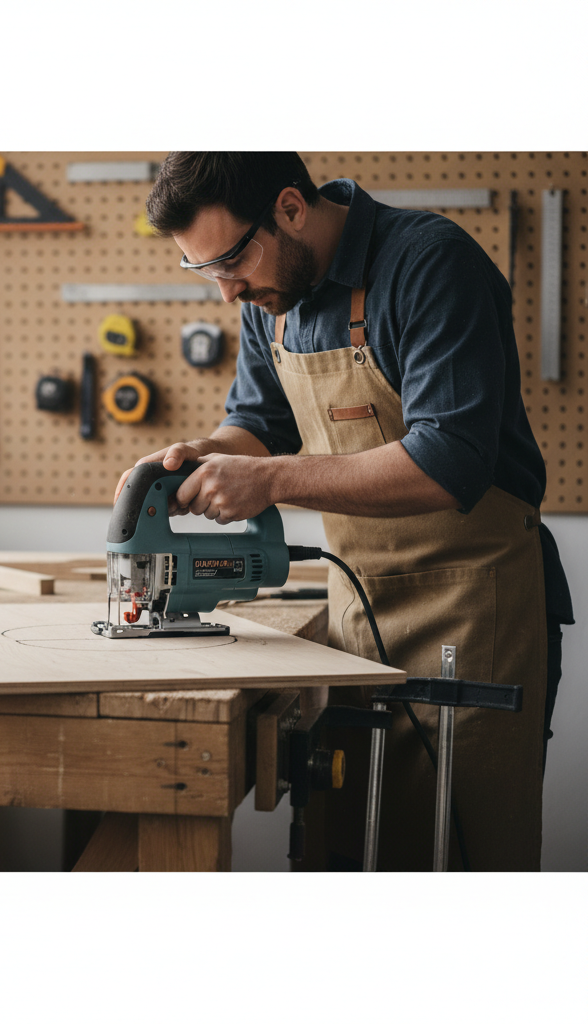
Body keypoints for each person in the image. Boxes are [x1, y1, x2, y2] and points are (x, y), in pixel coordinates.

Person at [116, 152, 574, 871]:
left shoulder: (428, 264)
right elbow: (258, 424)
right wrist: (206, 456)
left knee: (457, 853)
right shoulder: (272, 295)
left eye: (231, 261)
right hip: (358, 611)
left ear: (292, 209)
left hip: (471, 613)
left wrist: (267, 482)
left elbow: (449, 458)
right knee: (354, 844)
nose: (227, 291)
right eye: (204, 271)